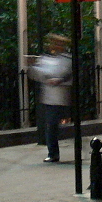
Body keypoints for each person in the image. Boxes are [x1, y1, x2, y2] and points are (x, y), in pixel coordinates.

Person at [27, 34, 72, 162]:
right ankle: (53, 152)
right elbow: (37, 74)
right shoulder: (46, 58)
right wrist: (33, 66)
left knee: (53, 125)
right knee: (51, 125)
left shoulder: (67, 59)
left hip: (61, 97)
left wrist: (56, 79)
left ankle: (53, 152)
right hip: (49, 98)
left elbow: (65, 74)